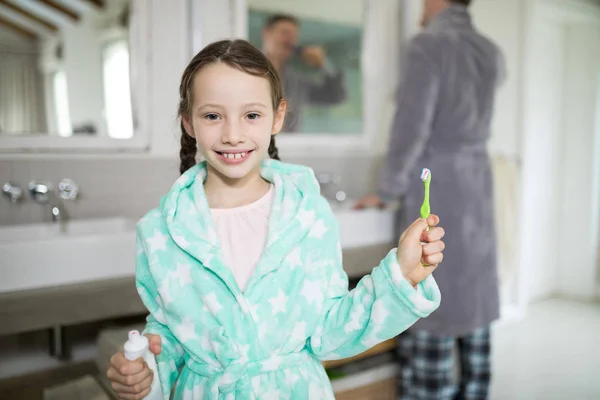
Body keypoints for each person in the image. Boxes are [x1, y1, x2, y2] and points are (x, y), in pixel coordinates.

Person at [105, 39, 447, 399]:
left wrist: (402, 276)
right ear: (188, 121)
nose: (232, 134)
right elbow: (170, 335)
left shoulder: (308, 215)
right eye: (212, 116)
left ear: (277, 116)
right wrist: (144, 369)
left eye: (251, 115)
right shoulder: (161, 232)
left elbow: (329, 330)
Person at [354, 0, 505, 398]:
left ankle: (430, 389)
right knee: (471, 300)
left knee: (429, 287)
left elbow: (410, 129)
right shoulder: (488, 49)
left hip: (439, 186)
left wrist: (387, 190)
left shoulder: (428, 46)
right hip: (477, 184)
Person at [261, 14, 347, 132]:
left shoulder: (298, 82)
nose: (290, 40)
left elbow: (336, 97)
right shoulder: (245, 71)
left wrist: (323, 65)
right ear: (267, 33)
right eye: (285, 33)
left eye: (294, 36)